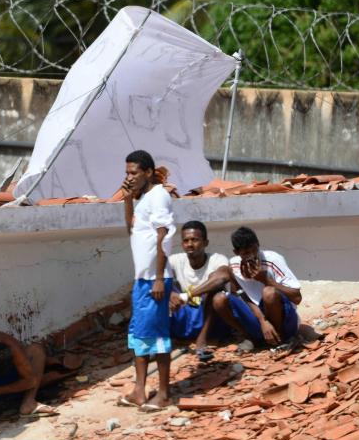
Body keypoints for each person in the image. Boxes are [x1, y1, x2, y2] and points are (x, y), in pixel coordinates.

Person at [120, 149, 176, 410]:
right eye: (127, 172)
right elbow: (131, 229)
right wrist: (127, 199)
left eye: (134, 172)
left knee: (159, 337)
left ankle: (164, 393)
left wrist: (159, 278)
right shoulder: (142, 199)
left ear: (148, 172)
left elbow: (163, 236)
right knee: (139, 336)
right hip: (141, 279)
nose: (129, 177)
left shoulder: (159, 196)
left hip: (155, 279)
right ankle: (139, 391)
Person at [212, 226, 302, 347]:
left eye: (254, 250)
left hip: (285, 320)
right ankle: (250, 337)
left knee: (268, 292)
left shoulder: (273, 259)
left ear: (258, 244)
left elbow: (297, 298)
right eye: (245, 253)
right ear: (236, 253)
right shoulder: (233, 265)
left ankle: (279, 339)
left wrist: (265, 279)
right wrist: (262, 320)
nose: (251, 256)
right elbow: (240, 295)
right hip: (256, 316)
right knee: (219, 299)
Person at [167, 220, 231, 358]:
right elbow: (156, 278)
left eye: (195, 240)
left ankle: (202, 338)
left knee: (216, 288)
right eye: (186, 240)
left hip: (210, 320)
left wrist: (187, 295)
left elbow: (224, 275)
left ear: (205, 242)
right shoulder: (175, 260)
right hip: (187, 318)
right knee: (162, 287)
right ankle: (156, 341)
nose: (190, 244)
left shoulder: (217, 258)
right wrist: (171, 293)